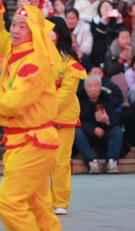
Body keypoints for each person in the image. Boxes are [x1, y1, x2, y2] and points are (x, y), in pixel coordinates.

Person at [0, 0, 62, 230]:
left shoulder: (35, 62)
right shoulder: (16, 50)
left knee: (8, 202)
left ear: (33, 31)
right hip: (23, 141)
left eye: (22, 27)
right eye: (13, 24)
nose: (15, 31)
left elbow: (14, 102)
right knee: (39, 207)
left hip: (33, 142)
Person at [47, 16, 87, 215]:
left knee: (61, 161)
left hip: (61, 116)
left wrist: (46, 109)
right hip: (39, 115)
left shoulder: (70, 62)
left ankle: (60, 201)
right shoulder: (38, 55)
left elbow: (66, 92)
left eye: (50, 29)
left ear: (59, 33)